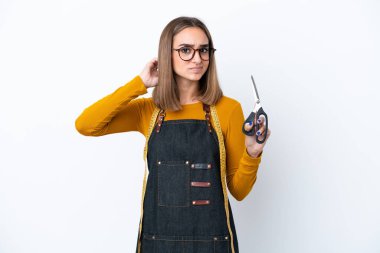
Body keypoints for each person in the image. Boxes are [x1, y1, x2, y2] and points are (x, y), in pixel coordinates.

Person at [75, 16, 271, 253]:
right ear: (166, 55)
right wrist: (139, 83)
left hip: (213, 244)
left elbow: (239, 192)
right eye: (186, 50)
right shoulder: (149, 111)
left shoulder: (227, 109)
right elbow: (86, 124)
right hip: (158, 244)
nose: (197, 59)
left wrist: (253, 153)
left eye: (204, 50)